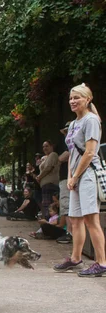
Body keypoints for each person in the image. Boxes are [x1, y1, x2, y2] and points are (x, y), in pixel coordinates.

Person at [54, 84, 106, 277]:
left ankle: (102, 262)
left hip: (88, 175)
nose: (73, 101)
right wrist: (70, 177)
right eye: (71, 98)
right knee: (74, 220)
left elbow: (90, 152)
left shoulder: (91, 121)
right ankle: (75, 258)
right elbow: (73, 153)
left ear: (88, 99)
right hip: (76, 176)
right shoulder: (74, 123)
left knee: (91, 220)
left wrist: (75, 176)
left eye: (77, 98)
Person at [56, 122, 73, 244]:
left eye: (68, 132)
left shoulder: (72, 146)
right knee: (67, 207)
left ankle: (69, 233)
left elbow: (61, 158)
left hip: (69, 179)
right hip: (66, 179)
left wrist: (60, 159)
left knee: (67, 207)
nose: (66, 135)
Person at [36, 141, 60, 219]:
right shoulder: (46, 158)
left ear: (51, 146)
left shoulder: (53, 155)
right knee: (46, 205)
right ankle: (47, 223)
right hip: (45, 185)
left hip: (50, 184)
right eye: (43, 147)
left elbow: (48, 168)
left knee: (49, 206)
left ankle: (49, 224)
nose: (44, 148)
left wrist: (39, 177)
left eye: (46, 146)